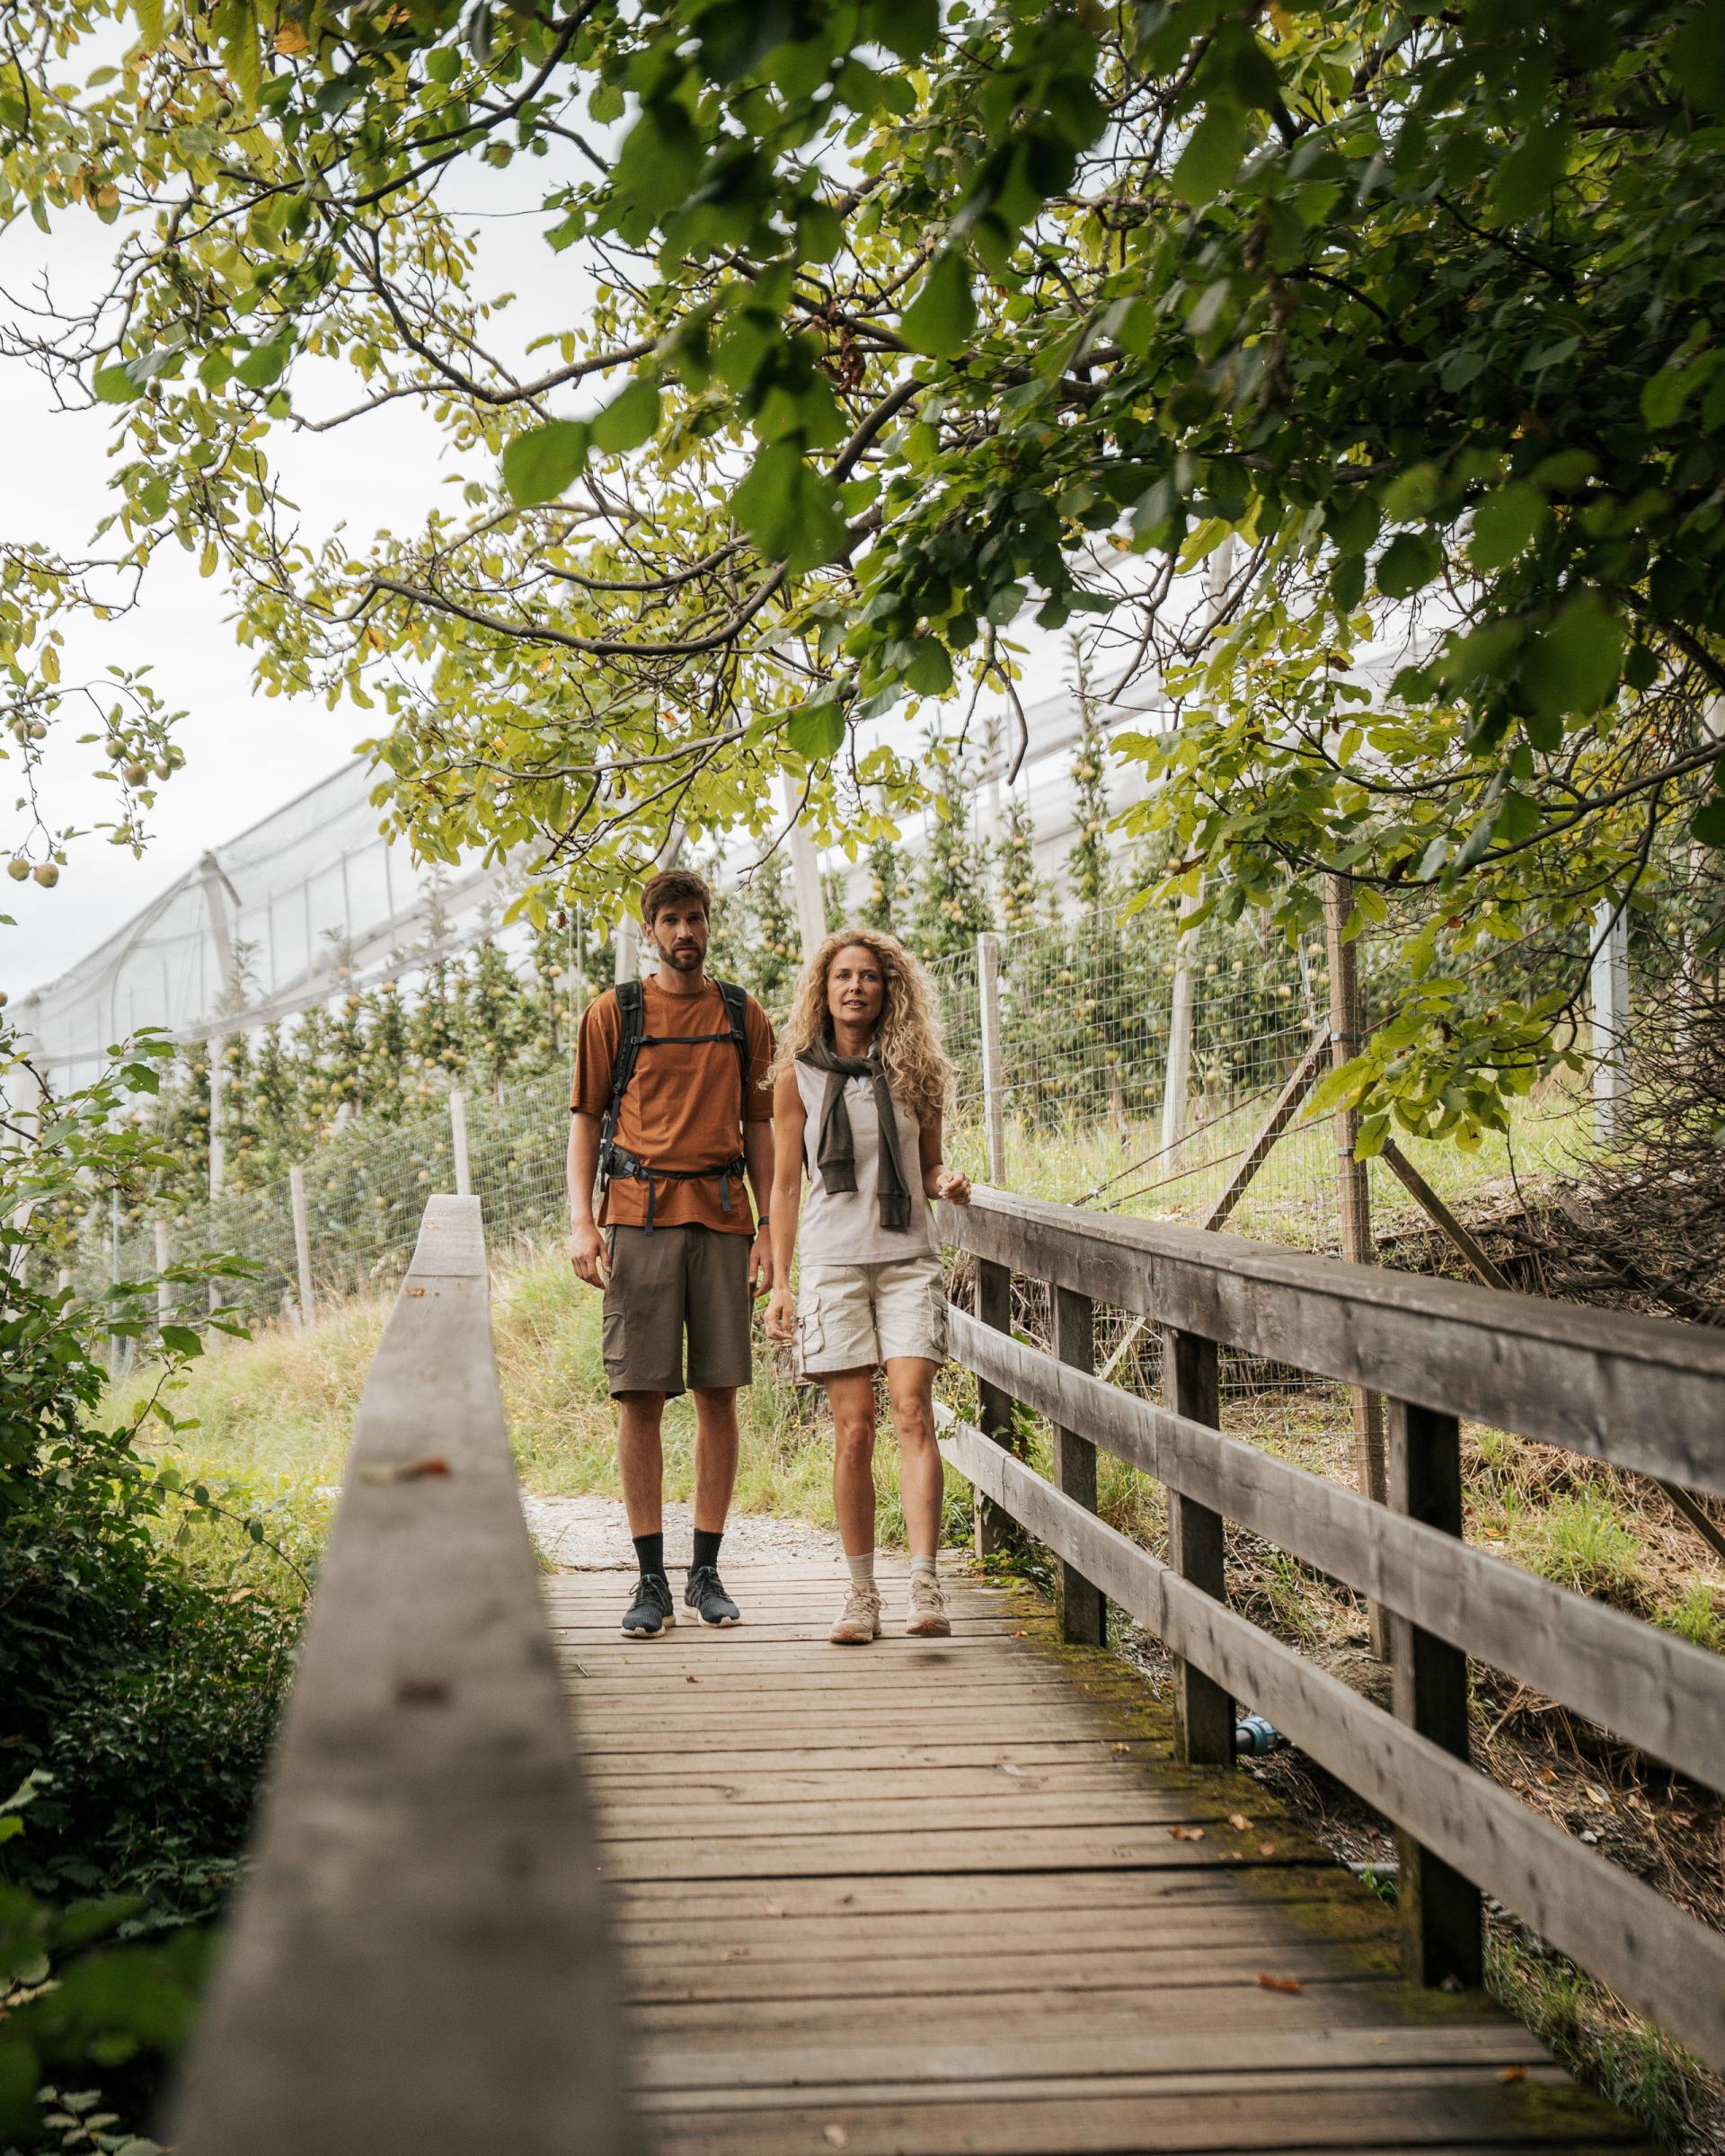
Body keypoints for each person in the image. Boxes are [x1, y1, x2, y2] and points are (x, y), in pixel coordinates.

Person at [567, 869, 775, 1639]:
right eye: (671, 921)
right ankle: (649, 1578)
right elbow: (586, 1121)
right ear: (649, 931)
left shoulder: (742, 1014)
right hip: (635, 1218)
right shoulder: (612, 1014)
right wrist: (581, 1222)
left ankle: (705, 1572)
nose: (685, 933)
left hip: (723, 1218)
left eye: (695, 919)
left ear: (708, 926)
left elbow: (762, 1129)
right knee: (641, 1397)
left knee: (720, 1393)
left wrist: (771, 1234)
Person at [764, 928, 970, 1645]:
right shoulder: (796, 1075)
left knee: (914, 1411)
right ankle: (859, 1594)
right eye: (843, 976)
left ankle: (924, 1583)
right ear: (823, 989)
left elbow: (934, 1166)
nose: (856, 987)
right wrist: (781, 1283)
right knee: (853, 1430)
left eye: (870, 977)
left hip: (908, 1257)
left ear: (890, 990)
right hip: (832, 1263)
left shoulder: (919, 1070)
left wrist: (948, 1181)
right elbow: (786, 1184)